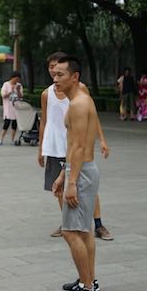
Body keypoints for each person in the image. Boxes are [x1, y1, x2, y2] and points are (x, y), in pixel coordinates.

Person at [38, 52, 113, 240]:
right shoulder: (47, 94)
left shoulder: (80, 91)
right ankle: (67, 221)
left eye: (58, 69)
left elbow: (92, 116)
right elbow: (44, 121)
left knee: (85, 186)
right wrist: (41, 149)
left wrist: (102, 139)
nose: (54, 72)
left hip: (75, 147)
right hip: (55, 146)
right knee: (58, 189)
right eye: (51, 68)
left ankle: (98, 224)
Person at [51, 55, 101, 291]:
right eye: (54, 74)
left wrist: (71, 182)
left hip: (81, 173)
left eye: (60, 74)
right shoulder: (78, 100)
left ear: (75, 77)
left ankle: (87, 286)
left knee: (70, 232)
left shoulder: (79, 103)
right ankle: (87, 279)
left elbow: (79, 146)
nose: (55, 79)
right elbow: (73, 145)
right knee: (83, 230)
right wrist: (63, 173)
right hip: (79, 170)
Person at [0, 71, 23, 146]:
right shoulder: (6, 84)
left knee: (14, 125)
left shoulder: (19, 85)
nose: (17, 81)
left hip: (16, 108)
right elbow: (3, 95)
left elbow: (21, 96)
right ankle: (1, 139)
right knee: (6, 124)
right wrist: (11, 91)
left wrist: (18, 90)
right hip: (8, 109)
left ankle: (12, 140)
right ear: (12, 78)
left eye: (18, 79)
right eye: (16, 79)